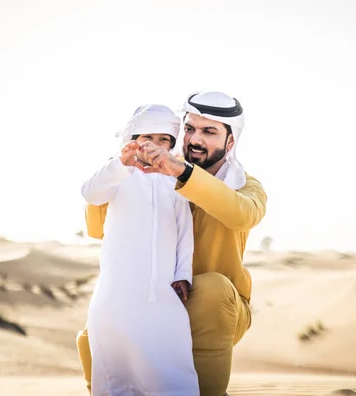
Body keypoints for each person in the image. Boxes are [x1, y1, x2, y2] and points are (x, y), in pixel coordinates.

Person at [77, 91, 267, 396]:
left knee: (211, 291)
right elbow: (97, 228)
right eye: (190, 129)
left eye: (209, 132)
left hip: (217, 310)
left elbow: (242, 214)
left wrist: (181, 173)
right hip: (154, 298)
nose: (195, 139)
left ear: (230, 142)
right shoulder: (150, 174)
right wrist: (119, 171)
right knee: (97, 330)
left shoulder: (244, 185)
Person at [80, 104, 199, 396]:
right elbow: (90, 193)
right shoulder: (119, 174)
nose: (156, 146)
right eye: (149, 138)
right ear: (133, 139)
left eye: (164, 140)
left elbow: (185, 232)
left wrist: (183, 274)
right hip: (118, 295)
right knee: (119, 379)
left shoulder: (175, 180)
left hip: (163, 296)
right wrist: (121, 165)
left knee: (174, 377)